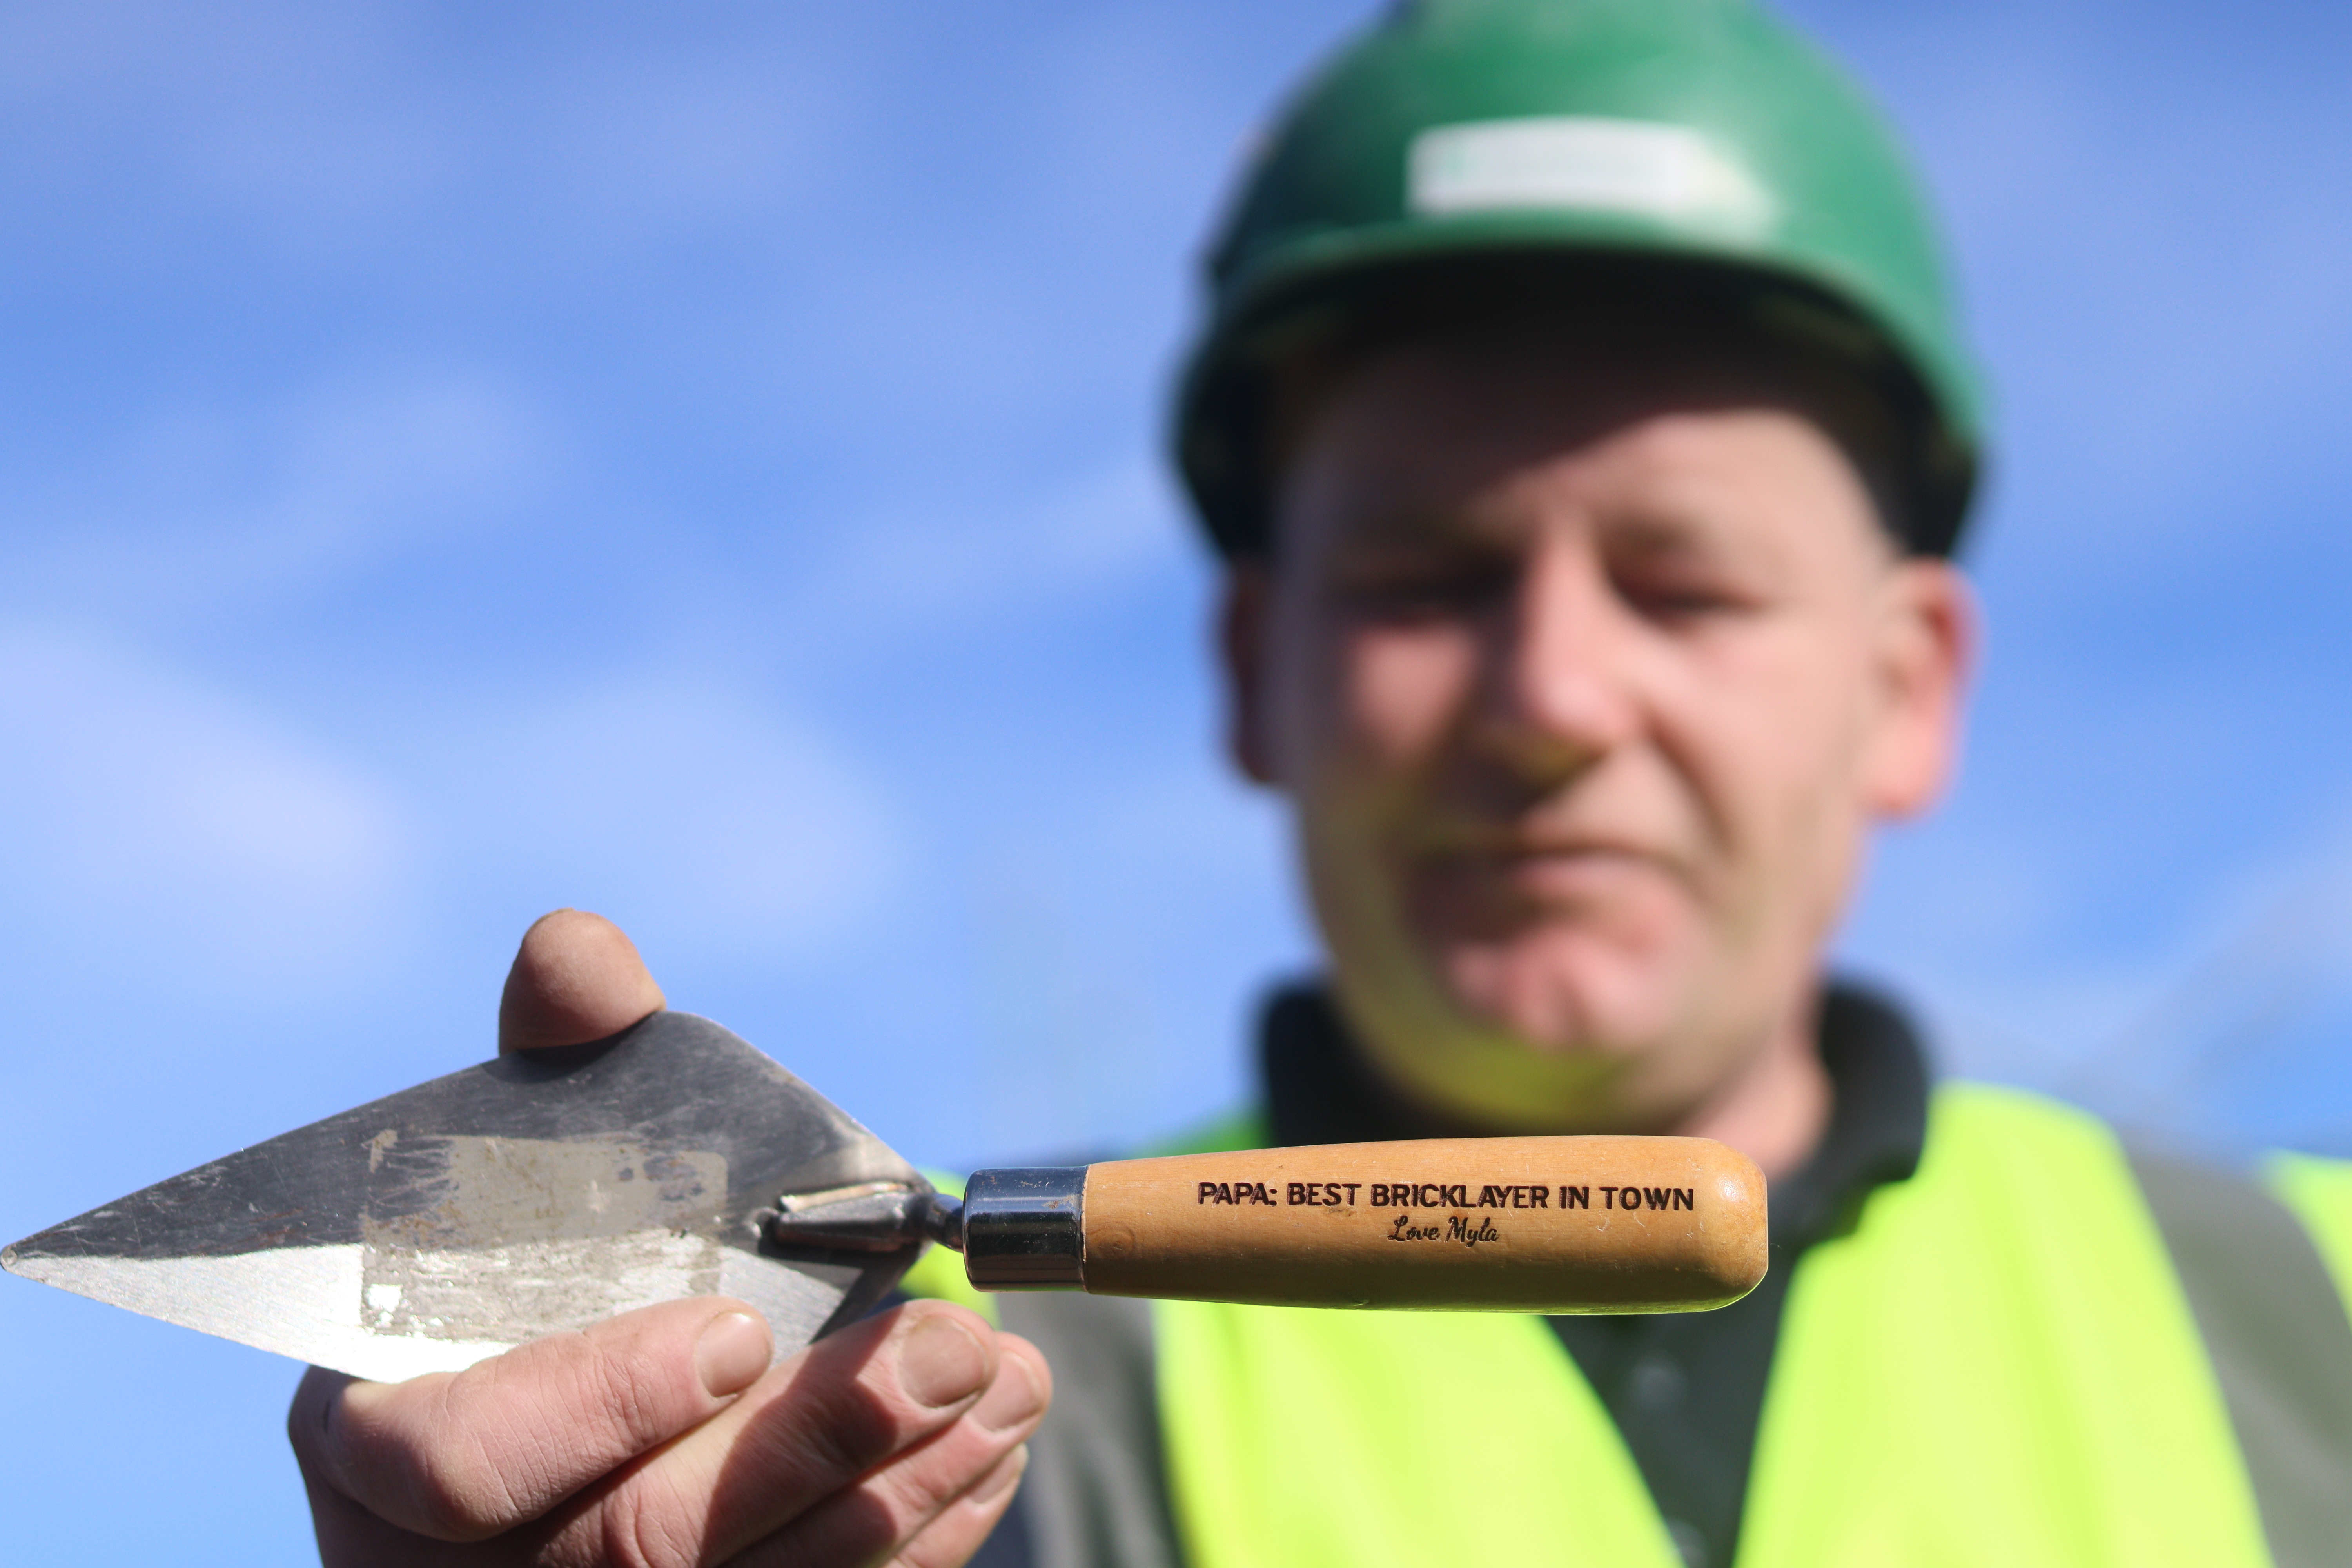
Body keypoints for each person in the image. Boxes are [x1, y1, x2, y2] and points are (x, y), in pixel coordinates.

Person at [287, 2, 2352, 1564]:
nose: (1550, 696)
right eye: (1427, 580)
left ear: (1911, 690)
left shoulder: (2310, 1317)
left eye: (1684, 583)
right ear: (1251, 671)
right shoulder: (941, 1455)